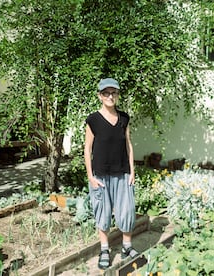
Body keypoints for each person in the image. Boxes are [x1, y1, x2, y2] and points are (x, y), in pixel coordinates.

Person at [84, 78, 139, 269]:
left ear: (117, 95)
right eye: (106, 93)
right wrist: (90, 176)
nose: (110, 96)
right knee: (103, 214)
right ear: (100, 96)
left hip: (123, 173)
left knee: (126, 212)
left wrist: (132, 171)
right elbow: (87, 148)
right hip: (100, 175)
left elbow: (128, 145)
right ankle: (105, 249)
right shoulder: (93, 120)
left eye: (113, 93)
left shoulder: (124, 118)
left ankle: (126, 246)